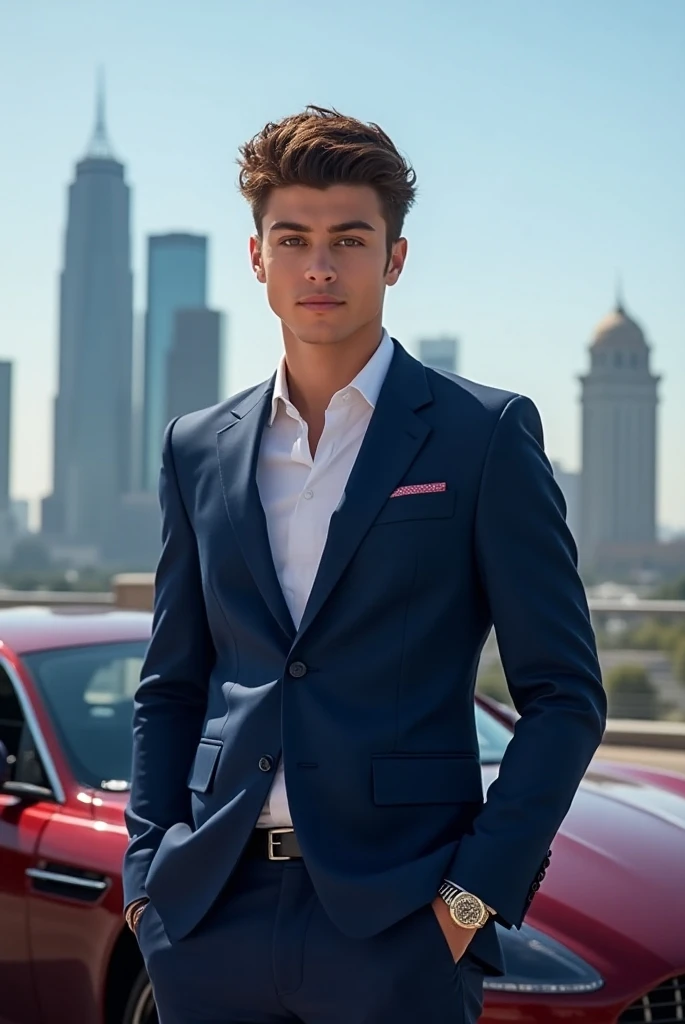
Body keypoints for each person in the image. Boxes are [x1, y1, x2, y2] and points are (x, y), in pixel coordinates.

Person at [123, 106, 607, 1024]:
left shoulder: (483, 437)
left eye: (350, 239)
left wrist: (470, 900)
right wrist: (148, 879)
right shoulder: (198, 448)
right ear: (257, 257)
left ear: (394, 259)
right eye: (293, 238)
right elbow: (171, 685)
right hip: (210, 920)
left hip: (398, 929)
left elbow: (565, 696)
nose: (320, 265)